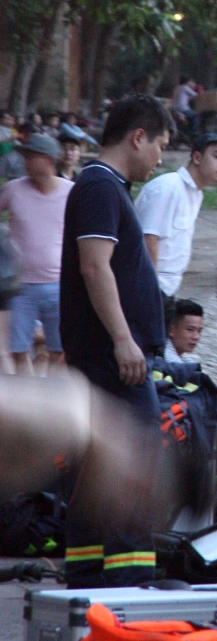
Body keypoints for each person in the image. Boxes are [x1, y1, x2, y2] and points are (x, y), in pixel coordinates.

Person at [59, 93, 173, 587]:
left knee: (99, 463)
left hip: (106, 354)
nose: (160, 159)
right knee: (134, 463)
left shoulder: (106, 187)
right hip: (113, 357)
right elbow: (94, 266)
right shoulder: (101, 187)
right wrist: (124, 340)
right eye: (161, 146)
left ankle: (87, 575)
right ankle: (130, 582)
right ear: (138, 137)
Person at [133, 131, 217, 300]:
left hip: (166, 288)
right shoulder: (168, 187)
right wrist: (151, 290)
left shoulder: (195, 194)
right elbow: (149, 238)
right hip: (147, 287)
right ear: (197, 158)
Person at [0, 132, 72, 374]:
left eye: (31, 157)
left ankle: (50, 391)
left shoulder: (71, 192)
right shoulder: (13, 190)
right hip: (21, 287)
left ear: (49, 160)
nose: (25, 162)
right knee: (18, 350)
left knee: (59, 351)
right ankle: (27, 393)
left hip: (59, 284)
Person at [164, 296, 204, 367]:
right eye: (190, 330)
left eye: (199, 331)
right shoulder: (168, 363)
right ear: (171, 330)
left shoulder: (185, 361)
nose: (196, 337)